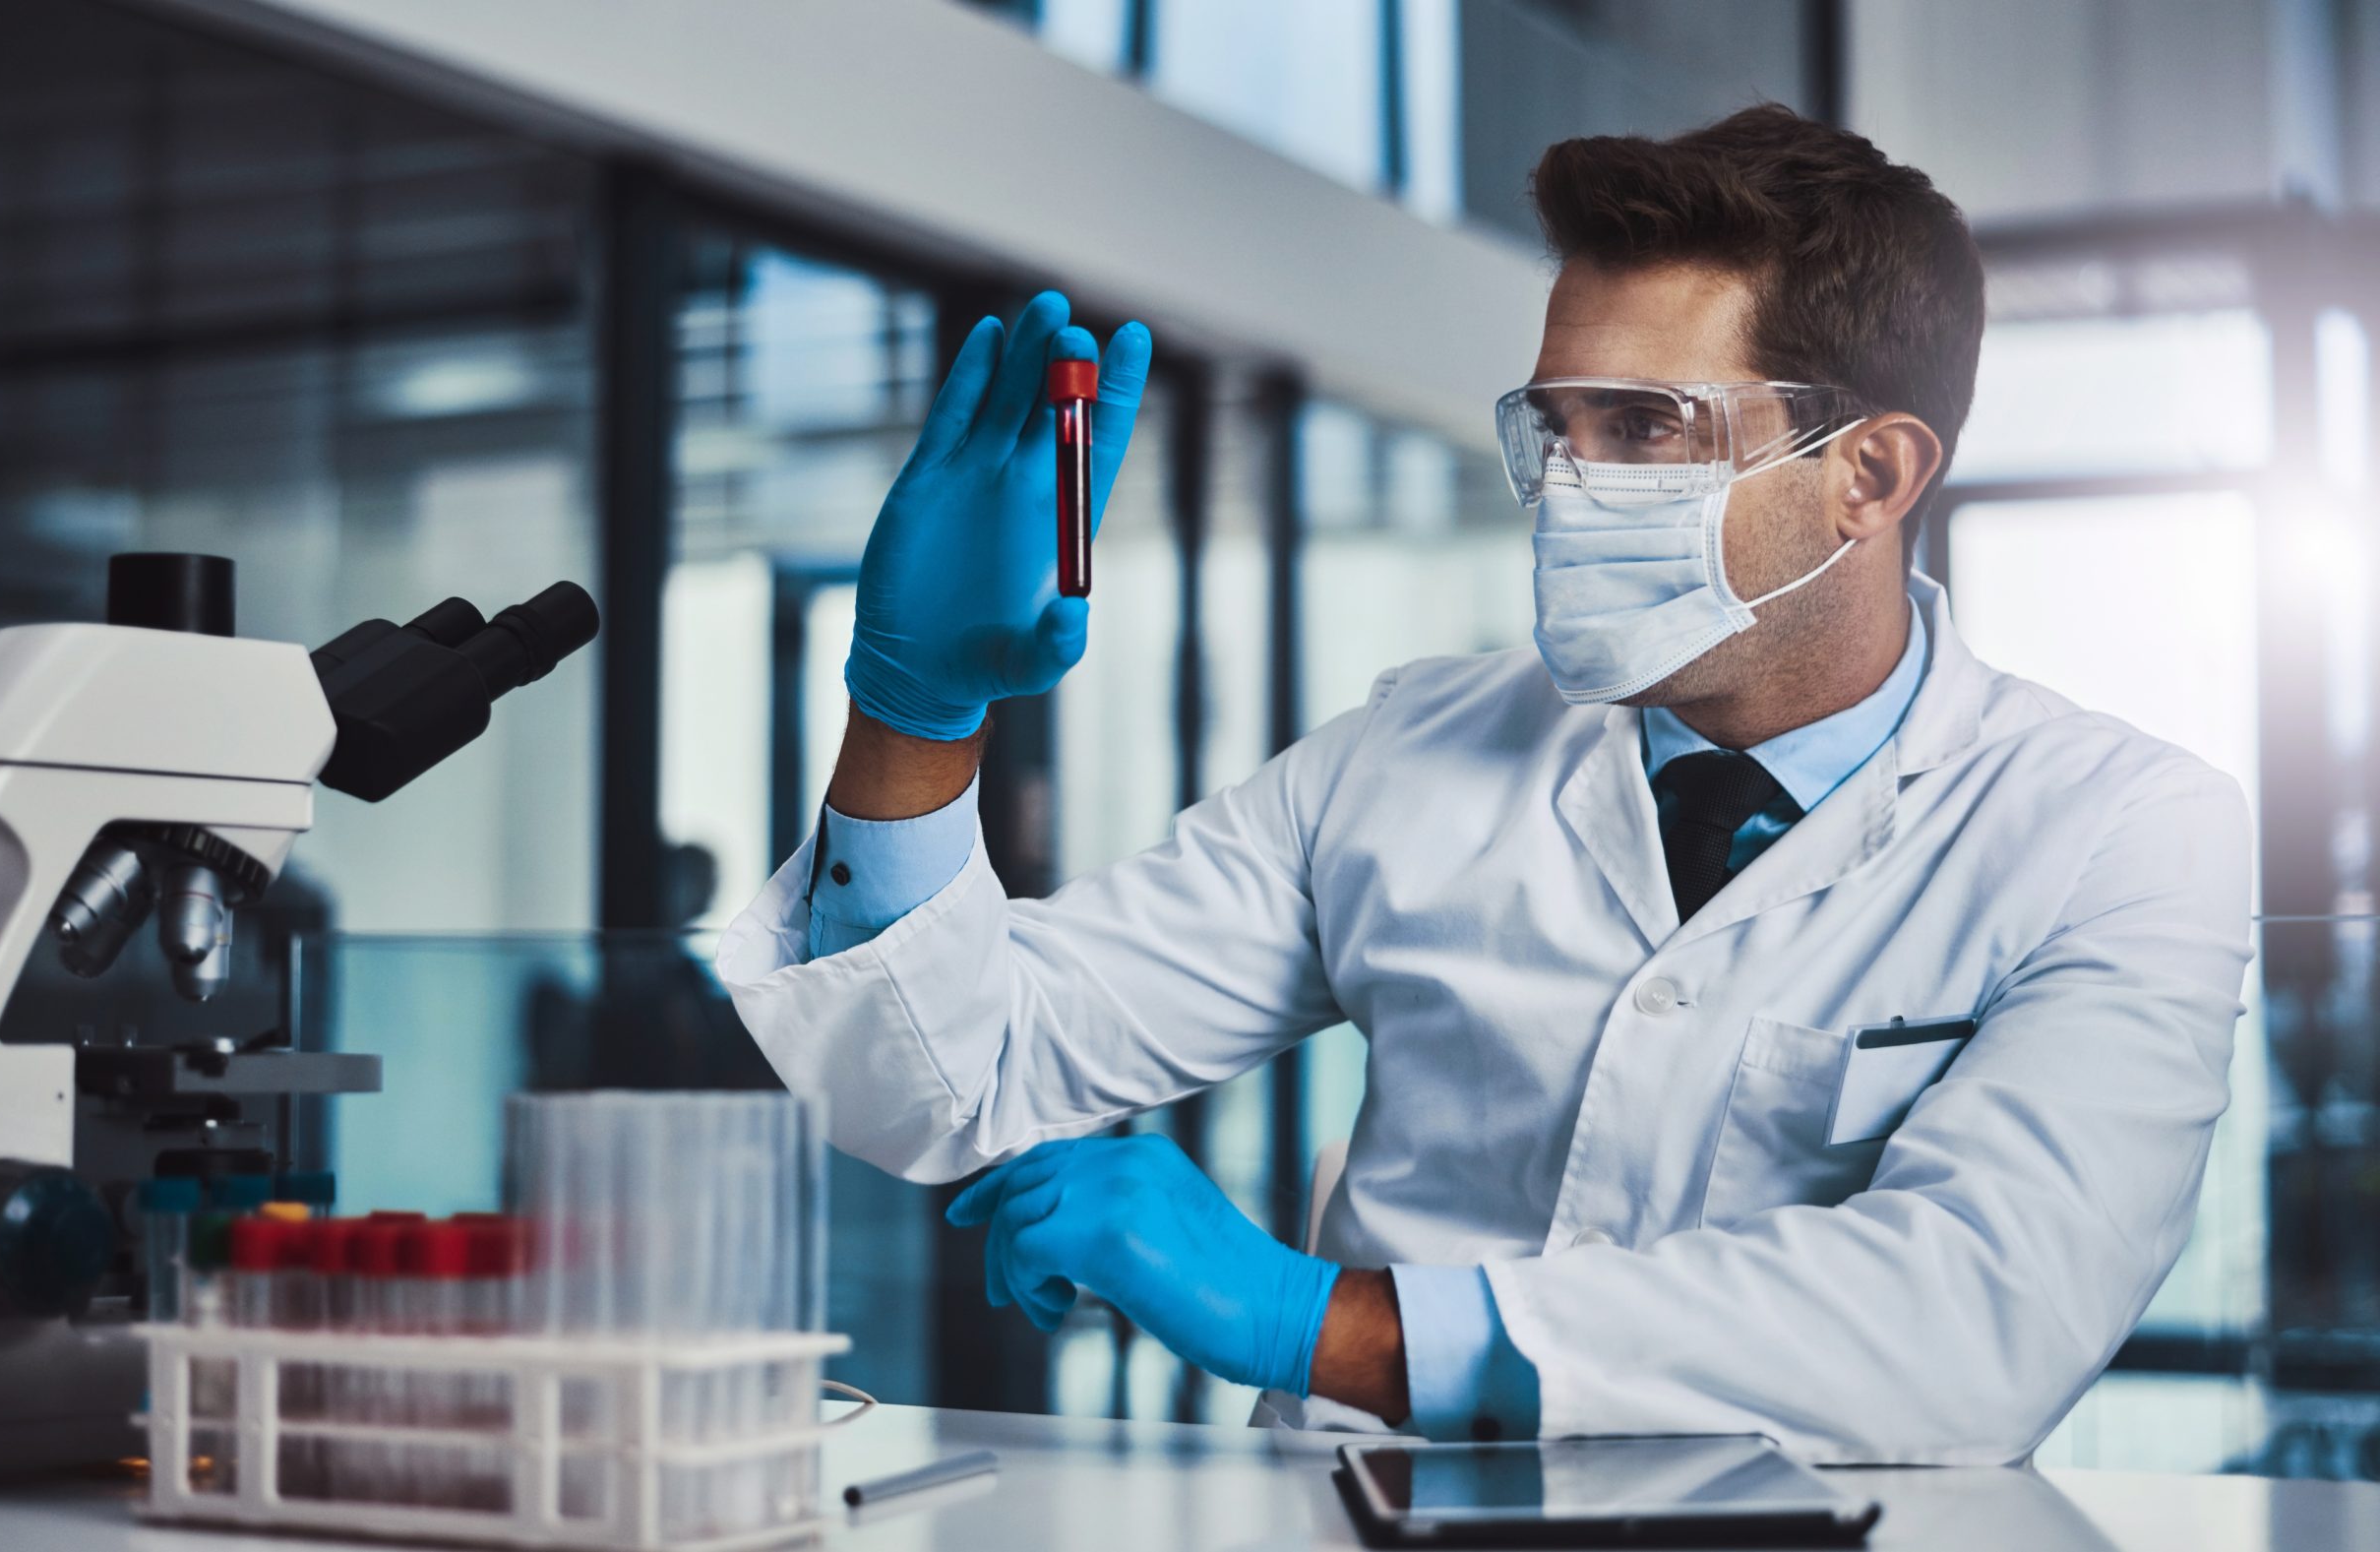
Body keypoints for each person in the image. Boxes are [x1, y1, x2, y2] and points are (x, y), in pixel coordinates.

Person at [716, 105, 2252, 1462]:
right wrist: (918, 711)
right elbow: (940, 1080)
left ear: (1870, 474)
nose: (1574, 486)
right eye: (1557, 425)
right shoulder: (1414, 751)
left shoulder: (2117, 832)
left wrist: (1322, 1323)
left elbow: (1973, 1325)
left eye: (1648, 426)